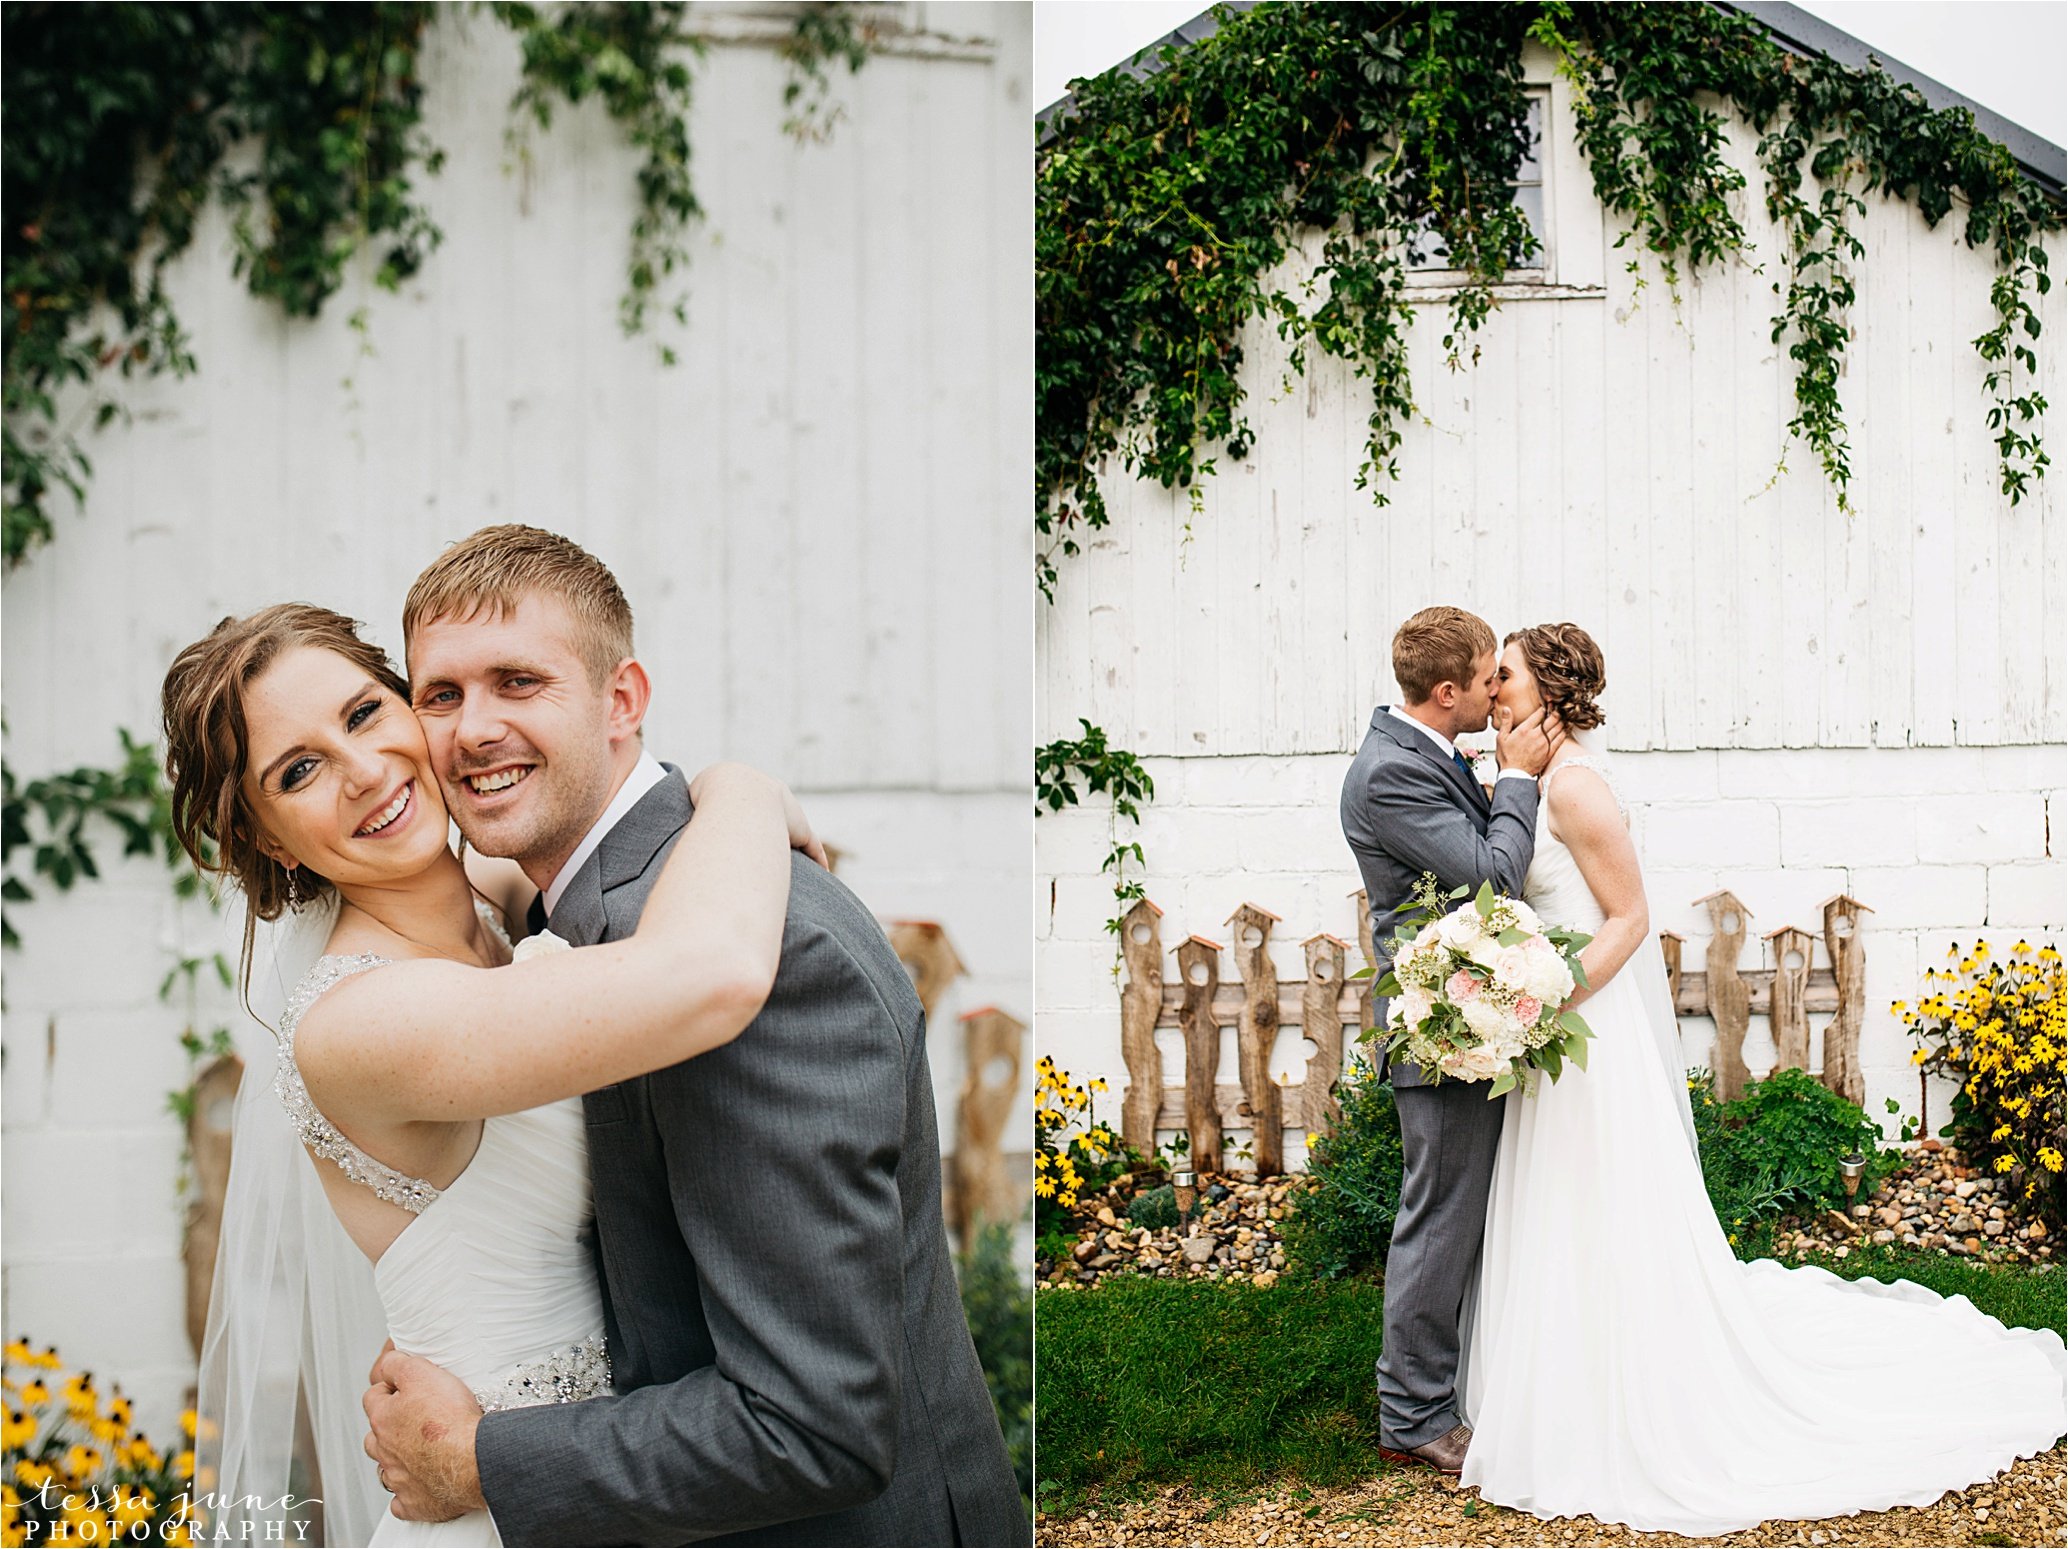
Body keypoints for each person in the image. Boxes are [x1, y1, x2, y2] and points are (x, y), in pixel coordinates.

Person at [360, 525, 1027, 1546]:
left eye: (518, 681)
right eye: (441, 695)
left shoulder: (758, 956)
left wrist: (472, 1460)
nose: (472, 728)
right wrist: (739, 784)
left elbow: (812, 1425)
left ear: (621, 700)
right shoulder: (577, 913)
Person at [167, 601, 811, 1547]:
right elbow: (711, 973)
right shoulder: (359, 1024)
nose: (363, 772)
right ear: (268, 838)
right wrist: (745, 789)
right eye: (299, 771)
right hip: (496, 1505)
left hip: (621, 1469)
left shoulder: (503, 905)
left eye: (363, 715)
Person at [1460, 621, 2067, 1534]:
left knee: (1601, 1196)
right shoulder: (1537, 778)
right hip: (1559, 1032)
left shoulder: (1577, 788)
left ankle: (1627, 1395)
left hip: (1584, 1026)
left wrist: (1541, 1002)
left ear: (1546, 687)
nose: (1489, 686)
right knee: (1562, 1202)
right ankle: (1565, 1378)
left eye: (1502, 674)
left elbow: (1628, 921)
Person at [1338, 605, 1565, 1474]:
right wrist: (1517, 778)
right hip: (1443, 1027)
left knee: (1462, 1213)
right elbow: (1492, 881)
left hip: (1475, 1011)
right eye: (1483, 681)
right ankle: (1414, 1415)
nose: (1493, 692)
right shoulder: (1387, 774)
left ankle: (1447, 1386)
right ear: (1445, 692)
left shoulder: (1422, 752)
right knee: (1439, 1220)